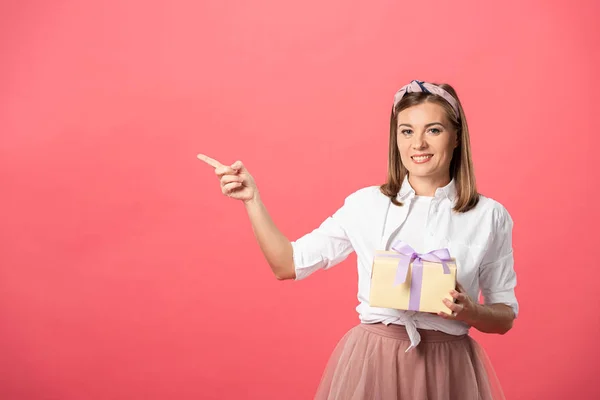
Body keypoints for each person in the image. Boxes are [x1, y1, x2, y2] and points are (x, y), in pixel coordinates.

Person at [198, 80, 518, 399]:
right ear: (396, 138)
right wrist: (252, 200)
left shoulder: (490, 215)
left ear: (457, 136)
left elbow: (503, 317)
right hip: (375, 362)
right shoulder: (365, 205)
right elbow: (287, 264)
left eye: (433, 130)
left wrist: (469, 311)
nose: (418, 143)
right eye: (406, 131)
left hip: (450, 369)